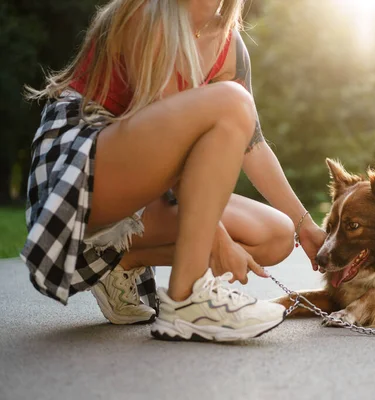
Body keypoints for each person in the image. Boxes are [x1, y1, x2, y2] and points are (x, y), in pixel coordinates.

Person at [21, 0, 326, 342]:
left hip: (147, 189)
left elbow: (252, 146)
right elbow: (172, 152)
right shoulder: (145, 13)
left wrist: (307, 226)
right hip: (84, 161)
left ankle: (120, 264)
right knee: (233, 103)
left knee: (276, 235)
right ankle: (187, 299)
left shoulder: (230, 45)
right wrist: (217, 239)